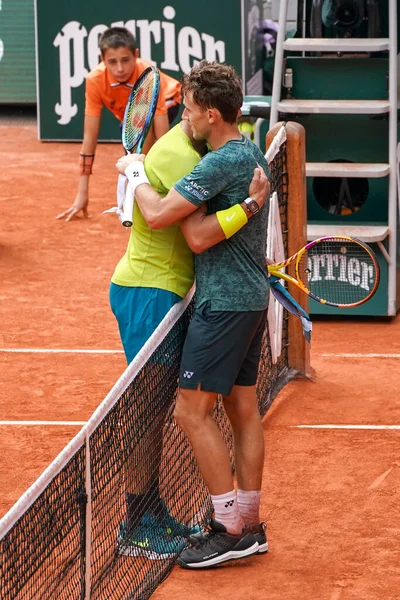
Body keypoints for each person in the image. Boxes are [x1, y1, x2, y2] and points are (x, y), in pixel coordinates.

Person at [115, 60, 271, 568]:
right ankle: (147, 517)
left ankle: (230, 528)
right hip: (164, 292)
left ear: (210, 113)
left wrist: (136, 173)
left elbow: (184, 227)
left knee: (183, 409)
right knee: (162, 408)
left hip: (214, 301)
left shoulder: (205, 156)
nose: (183, 116)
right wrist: (140, 175)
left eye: (188, 109)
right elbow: (158, 216)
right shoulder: (239, 147)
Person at [56, 26, 181, 223]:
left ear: (136, 55)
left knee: (146, 150)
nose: (120, 69)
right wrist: (82, 192)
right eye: (112, 62)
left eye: (125, 60)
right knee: (135, 152)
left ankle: (152, 198)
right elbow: (89, 136)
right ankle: (141, 195)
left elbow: (162, 135)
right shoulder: (95, 80)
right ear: (102, 59)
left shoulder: (148, 75)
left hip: (168, 98)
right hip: (130, 113)